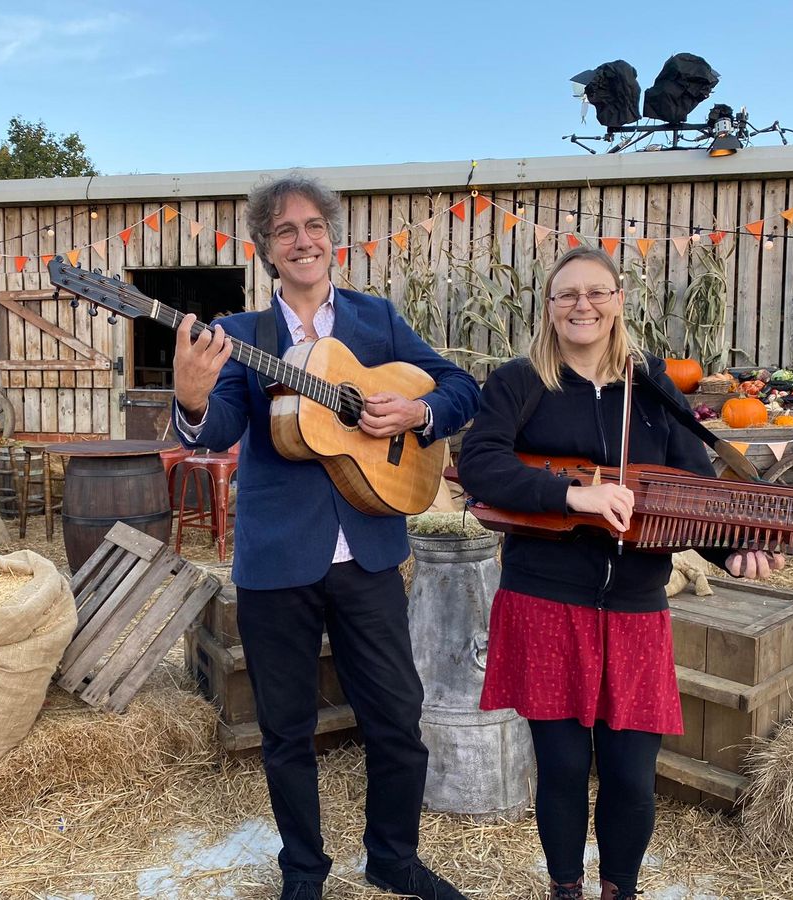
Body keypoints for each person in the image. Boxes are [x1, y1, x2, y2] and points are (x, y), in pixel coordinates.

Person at [171, 173, 480, 900]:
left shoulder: (377, 321)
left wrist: (416, 413)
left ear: (332, 238)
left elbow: (461, 387)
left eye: (313, 226)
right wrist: (188, 397)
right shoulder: (243, 336)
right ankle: (304, 872)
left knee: (398, 719)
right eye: (286, 231)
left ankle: (394, 860)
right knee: (286, 731)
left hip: (369, 551)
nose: (303, 239)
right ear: (266, 250)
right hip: (278, 560)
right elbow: (216, 427)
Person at [456, 246, 783, 900]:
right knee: (564, 767)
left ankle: (620, 890)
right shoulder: (520, 384)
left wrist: (733, 549)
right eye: (568, 294)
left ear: (618, 301)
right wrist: (572, 496)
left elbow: (696, 493)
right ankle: (566, 888)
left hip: (635, 608)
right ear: (549, 308)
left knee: (633, 776)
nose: (584, 305)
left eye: (597, 292)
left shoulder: (655, 391)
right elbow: (481, 465)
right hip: (546, 603)